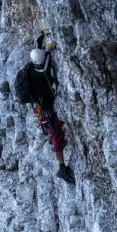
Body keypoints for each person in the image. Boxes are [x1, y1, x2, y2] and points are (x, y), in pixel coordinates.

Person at [27, 30, 74, 184]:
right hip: (45, 110)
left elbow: (38, 50)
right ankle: (61, 168)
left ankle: (54, 138)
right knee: (56, 136)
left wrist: (41, 35)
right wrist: (48, 50)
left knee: (54, 130)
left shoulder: (31, 66)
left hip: (39, 108)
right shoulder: (41, 72)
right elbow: (46, 60)